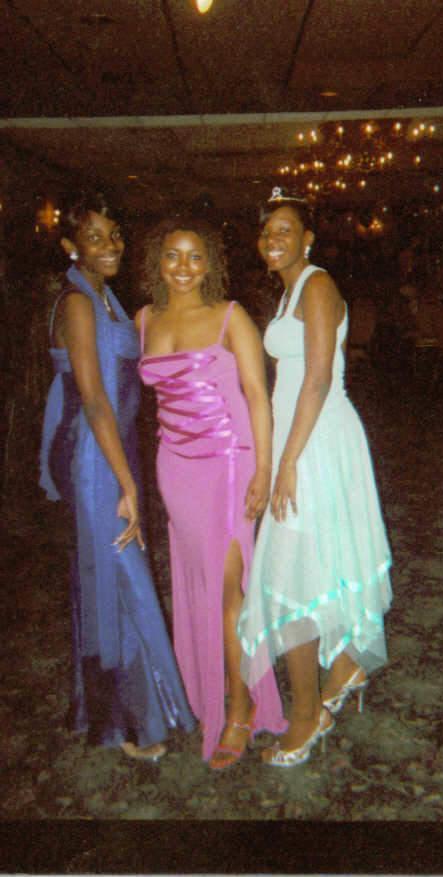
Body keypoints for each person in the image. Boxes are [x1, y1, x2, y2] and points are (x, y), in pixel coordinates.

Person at [237, 188, 393, 767]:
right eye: (266, 231)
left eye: (285, 229)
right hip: (302, 438)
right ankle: (345, 664)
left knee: (291, 574)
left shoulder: (318, 285)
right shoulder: (289, 293)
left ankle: (308, 713)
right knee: (309, 565)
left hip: (316, 442)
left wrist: (288, 462)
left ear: (308, 238)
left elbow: (319, 378)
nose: (272, 239)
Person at [39, 192, 194, 761]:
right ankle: (125, 721)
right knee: (118, 574)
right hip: (93, 455)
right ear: (70, 246)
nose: (110, 246)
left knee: (112, 574)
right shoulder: (79, 304)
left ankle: (116, 710)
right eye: (95, 237)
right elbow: (96, 400)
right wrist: (127, 483)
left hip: (111, 448)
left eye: (115, 235)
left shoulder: (104, 296)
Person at [137, 216, 286, 768]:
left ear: (210, 265)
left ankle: (241, 707)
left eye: (195, 256)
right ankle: (210, 689)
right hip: (174, 468)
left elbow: (257, 394)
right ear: (157, 262)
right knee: (198, 582)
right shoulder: (144, 319)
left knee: (229, 593)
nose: (183, 266)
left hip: (228, 464)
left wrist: (263, 469)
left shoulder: (230, 316)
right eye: (173, 255)